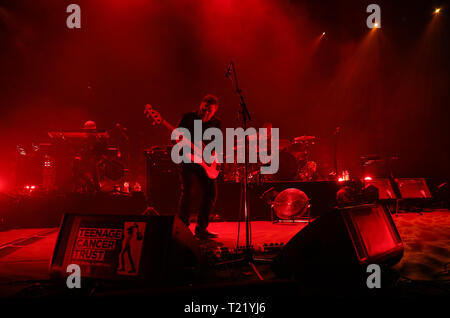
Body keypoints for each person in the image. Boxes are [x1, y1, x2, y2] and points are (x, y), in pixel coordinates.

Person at [177, 94, 221, 240]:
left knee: (211, 193)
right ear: (200, 106)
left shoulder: (216, 123)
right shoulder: (188, 118)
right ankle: (182, 227)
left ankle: (201, 228)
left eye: (210, 111)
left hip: (205, 162)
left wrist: (214, 157)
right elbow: (176, 138)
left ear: (215, 111)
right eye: (204, 109)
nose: (206, 113)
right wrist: (178, 140)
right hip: (188, 159)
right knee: (188, 192)